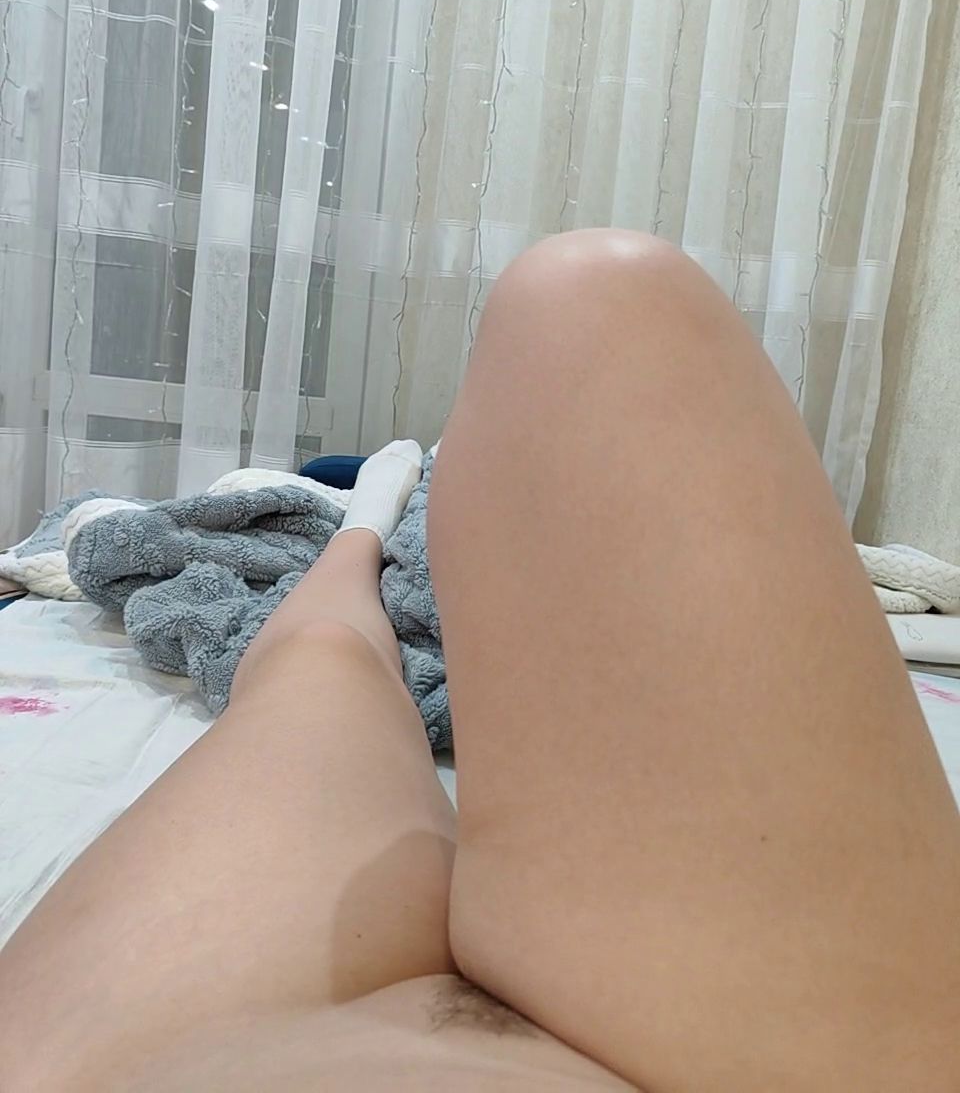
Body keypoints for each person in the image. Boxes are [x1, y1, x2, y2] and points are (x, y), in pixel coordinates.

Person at [0, 230, 957, 1092]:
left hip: (116, 1059)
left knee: (326, 649)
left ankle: (366, 525)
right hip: (804, 1051)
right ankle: (374, 518)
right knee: (603, 308)